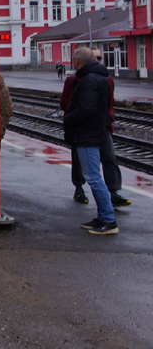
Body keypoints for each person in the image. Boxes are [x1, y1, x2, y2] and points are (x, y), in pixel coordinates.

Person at [61, 49, 129, 207]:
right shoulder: (74, 79)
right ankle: (79, 188)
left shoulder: (105, 79)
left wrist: (109, 117)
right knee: (80, 161)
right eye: (95, 57)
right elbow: (67, 102)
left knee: (108, 158)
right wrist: (71, 119)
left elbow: (108, 102)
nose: (97, 59)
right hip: (84, 128)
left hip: (100, 126)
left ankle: (113, 193)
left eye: (99, 57)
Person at [64, 46, 119, 235]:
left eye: (74, 61)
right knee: (94, 176)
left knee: (94, 178)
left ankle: (108, 220)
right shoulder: (101, 77)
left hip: (87, 134)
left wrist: (68, 119)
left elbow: (86, 109)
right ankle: (103, 216)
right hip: (95, 131)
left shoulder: (88, 80)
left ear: (77, 62)